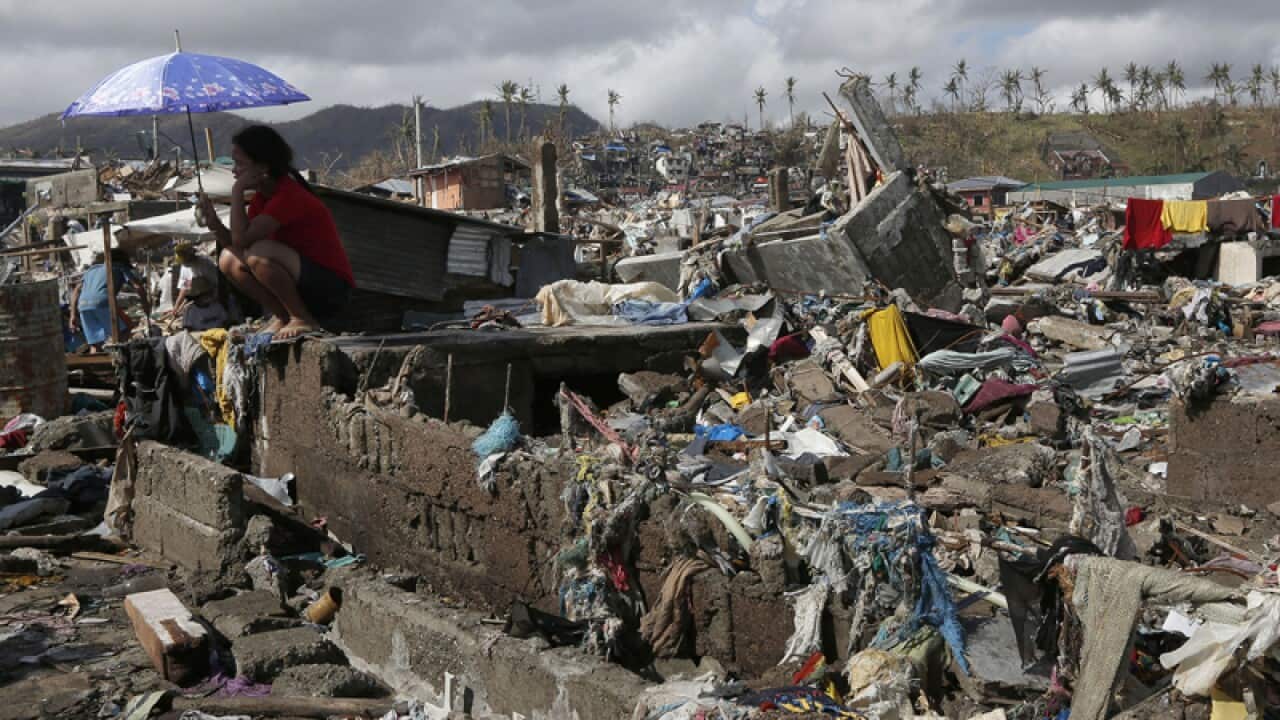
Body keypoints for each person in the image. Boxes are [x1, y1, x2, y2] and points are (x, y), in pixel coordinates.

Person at [200, 125, 353, 339]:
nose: (234, 171)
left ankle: (302, 317)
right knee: (228, 259)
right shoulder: (262, 199)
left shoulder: (289, 196)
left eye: (240, 164)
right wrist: (215, 225)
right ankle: (283, 315)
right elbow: (238, 246)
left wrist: (236, 192)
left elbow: (243, 240)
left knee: (259, 252)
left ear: (262, 168)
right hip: (299, 284)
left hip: (328, 289)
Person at [70, 249, 151, 352]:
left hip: (83, 304)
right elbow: (138, 287)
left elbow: (76, 291)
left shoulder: (91, 270)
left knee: (95, 343)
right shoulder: (120, 267)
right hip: (102, 301)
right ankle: (121, 361)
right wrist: (146, 306)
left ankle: (96, 365)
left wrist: (72, 315)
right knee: (124, 331)